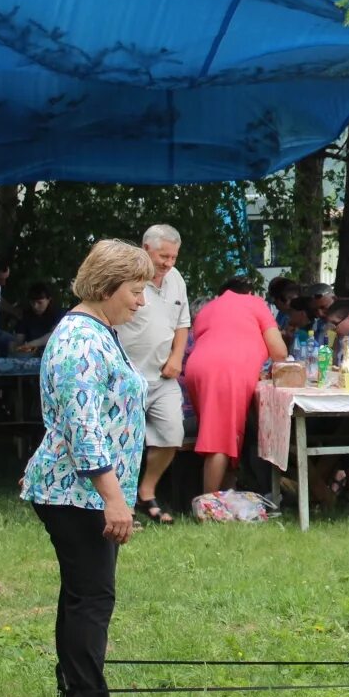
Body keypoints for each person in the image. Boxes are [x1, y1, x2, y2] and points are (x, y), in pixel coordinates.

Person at [21, 239, 152, 697]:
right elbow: (83, 429)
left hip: (79, 489)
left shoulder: (97, 331)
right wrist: (114, 499)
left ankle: (76, 693)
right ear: (106, 286)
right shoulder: (80, 340)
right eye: (135, 290)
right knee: (92, 597)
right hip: (78, 492)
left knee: (82, 593)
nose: (141, 301)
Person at [113, 223, 190, 525]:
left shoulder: (176, 279)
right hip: (126, 377)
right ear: (146, 250)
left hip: (164, 376)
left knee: (173, 435)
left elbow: (182, 322)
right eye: (163, 257)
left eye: (173, 257)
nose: (169, 264)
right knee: (122, 441)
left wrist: (176, 358)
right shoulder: (124, 278)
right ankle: (121, 503)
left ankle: (146, 492)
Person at [183, 277, 286, 496]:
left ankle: (228, 493)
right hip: (228, 370)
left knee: (224, 431)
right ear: (249, 293)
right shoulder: (256, 303)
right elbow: (279, 352)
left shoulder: (208, 308)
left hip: (198, 368)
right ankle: (208, 505)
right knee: (220, 439)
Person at [15, 282, 67, 354]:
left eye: (40, 303)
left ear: (49, 300)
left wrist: (31, 344)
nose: (35, 306)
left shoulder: (58, 314)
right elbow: (19, 340)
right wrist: (18, 348)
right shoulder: (25, 316)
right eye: (32, 303)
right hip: (31, 354)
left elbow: (55, 335)